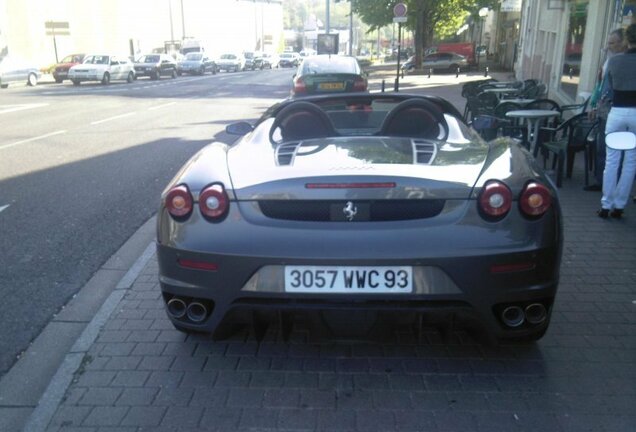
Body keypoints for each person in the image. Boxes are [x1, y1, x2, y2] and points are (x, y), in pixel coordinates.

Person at [598, 24, 636, 219]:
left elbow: (610, 87)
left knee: (612, 160)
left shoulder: (615, 62)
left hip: (618, 111)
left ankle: (606, 204)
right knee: (631, 161)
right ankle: (620, 205)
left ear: (627, 40)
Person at [586, 28, 626, 191]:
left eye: (612, 43)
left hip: (616, 111)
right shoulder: (608, 60)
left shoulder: (621, 62)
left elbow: (611, 89)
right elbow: (600, 86)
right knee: (601, 146)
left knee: (617, 149)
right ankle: (601, 181)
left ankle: (614, 183)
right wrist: (594, 105)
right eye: (608, 42)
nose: (608, 46)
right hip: (604, 111)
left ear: (622, 44)